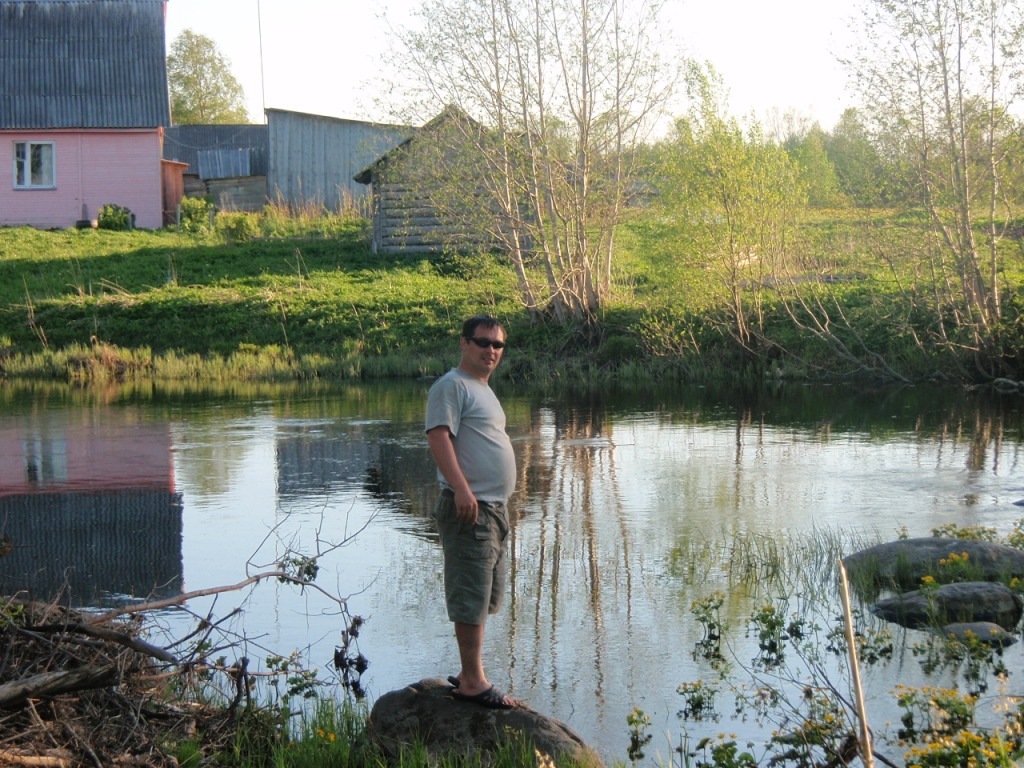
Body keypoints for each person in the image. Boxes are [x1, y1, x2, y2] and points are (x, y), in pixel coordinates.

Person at [425, 314, 518, 709]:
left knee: (485, 597)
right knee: (470, 594)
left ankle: (469, 674)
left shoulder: (483, 389)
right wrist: (462, 489)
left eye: (497, 345)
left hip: (493, 510)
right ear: (464, 343)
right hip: (469, 508)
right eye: (483, 342)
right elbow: (438, 436)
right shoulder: (452, 386)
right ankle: (474, 682)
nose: (491, 351)